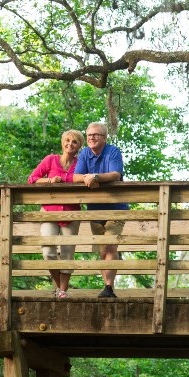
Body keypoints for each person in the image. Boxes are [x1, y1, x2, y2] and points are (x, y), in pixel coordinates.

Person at [27, 129, 84, 298]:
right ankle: (60, 287)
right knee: (48, 252)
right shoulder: (50, 160)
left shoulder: (80, 164)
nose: (70, 144)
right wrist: (50, 180)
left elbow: (86, 178)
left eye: (74, 142)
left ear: (79, 146)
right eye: (67, 140)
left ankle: (63, 291)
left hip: (71, 213)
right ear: (62, 143)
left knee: (67, 253)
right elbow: (32, 179)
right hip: (49, 211)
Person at [73, 122, 127, 298]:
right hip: (94, 209)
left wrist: (95, 177)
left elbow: (115, 175)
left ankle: (109, 287)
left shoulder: (113, 151)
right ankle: (107, 287)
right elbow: (75, 176)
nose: (91, 138)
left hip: (116, 208)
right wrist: (87, 177)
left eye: (95, 135)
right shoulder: (85, 153)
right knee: (103, 250)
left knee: (110, 245)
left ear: (104, 138)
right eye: (89, 135)